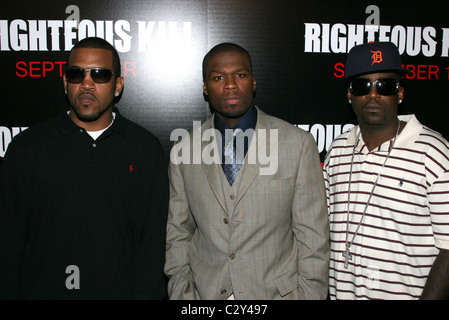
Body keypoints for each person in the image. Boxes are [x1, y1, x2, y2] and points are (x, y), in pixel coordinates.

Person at [0, 37, 168, 299]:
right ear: (65, 82)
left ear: (117, 85)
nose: (86, 84)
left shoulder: (145, 150)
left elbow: (152, 246)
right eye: (76, 74)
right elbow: (8, 242)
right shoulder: (28, 148)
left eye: (100, 75)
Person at [165, 42, 329, 300]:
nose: (230, 84)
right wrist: (183, 295)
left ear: (253, 81)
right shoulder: (184, 150)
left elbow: (313, 238)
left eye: (240, 75)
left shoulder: (297, 144)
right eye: (218, 77)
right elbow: (178, 233)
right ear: (205, 88)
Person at [323, 41, 449, 300]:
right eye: (362, 86)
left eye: (385, 86)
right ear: (349, 93)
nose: (372, 94)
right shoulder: (336, 151)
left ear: (400, 93)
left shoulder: (434, 152)